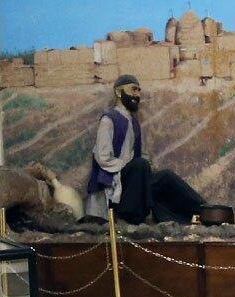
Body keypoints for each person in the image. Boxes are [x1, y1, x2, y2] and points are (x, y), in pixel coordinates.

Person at [84, 74, 209, 224]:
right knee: (140, 165)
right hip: (115, 184)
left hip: (135, 181)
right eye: (133, 89)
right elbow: (103, 157)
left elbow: (140, 155)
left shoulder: (134, 123)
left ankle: (208, 211)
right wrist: (133, 167)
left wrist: (145, 168)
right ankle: (132, 216)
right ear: (118, 92)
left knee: (166, 177)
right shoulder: (108, 120)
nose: (137, 95)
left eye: (139, 91)